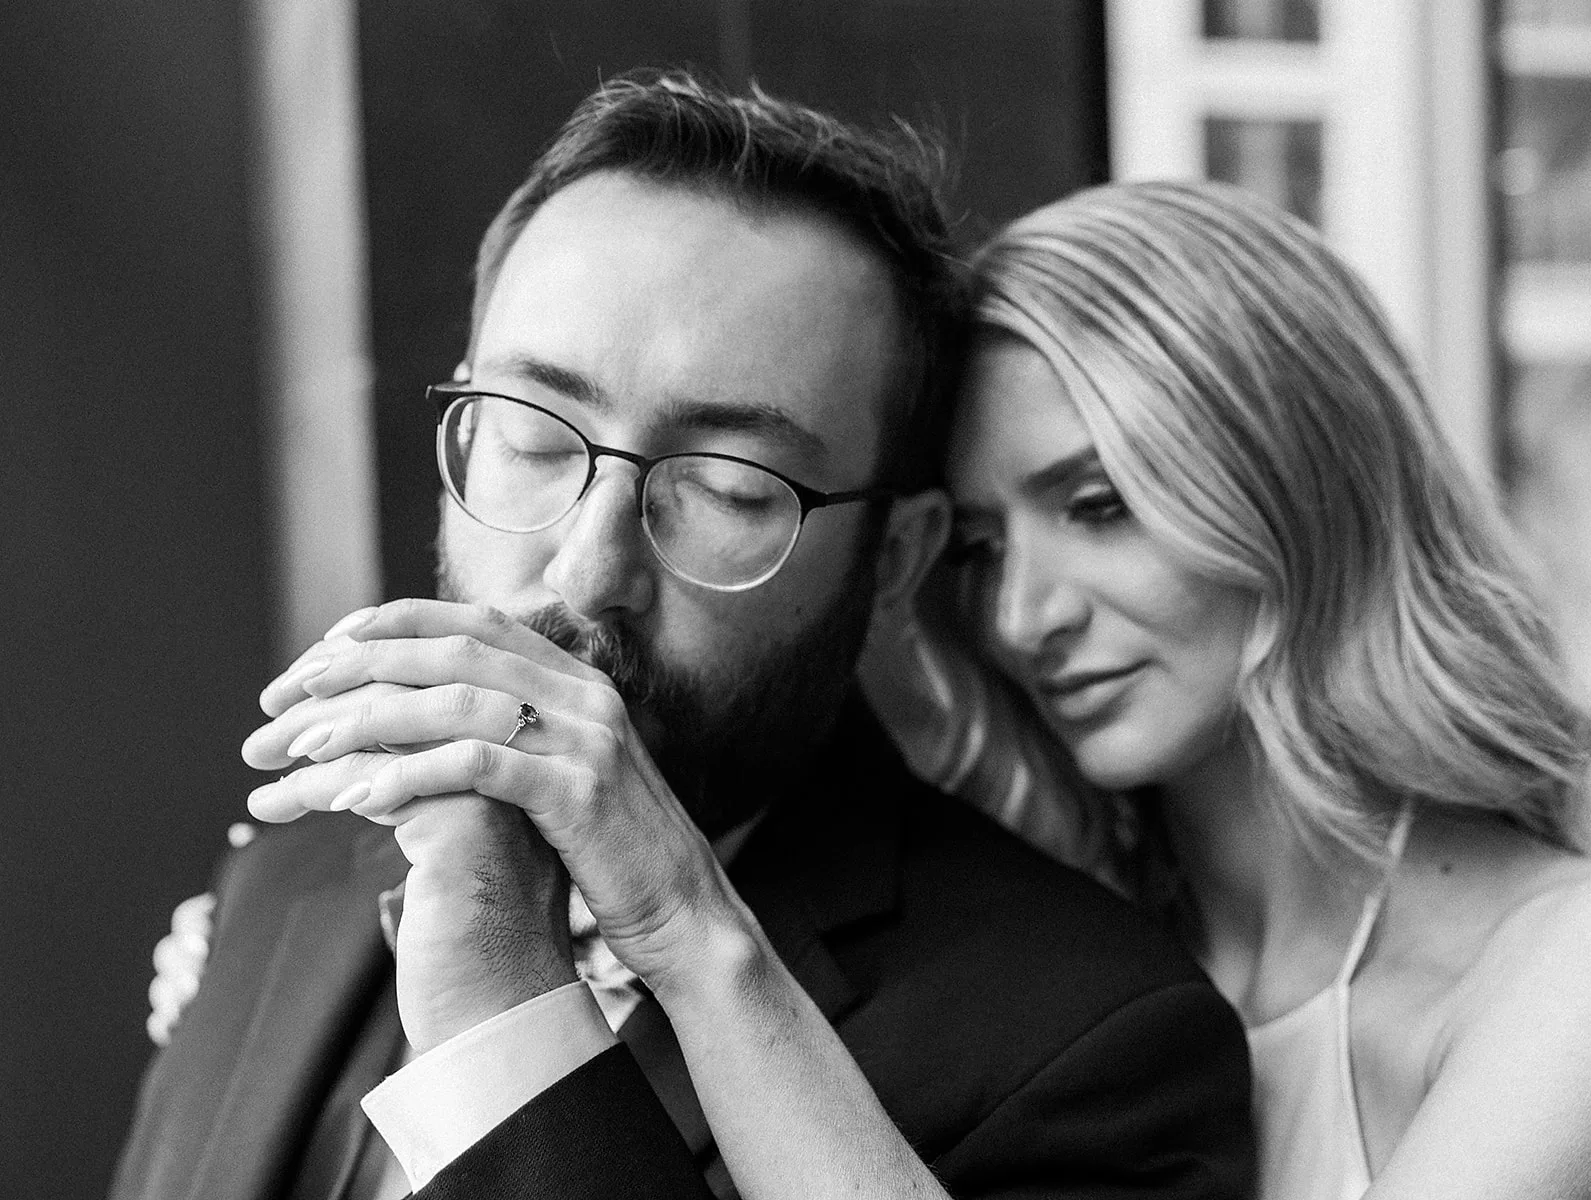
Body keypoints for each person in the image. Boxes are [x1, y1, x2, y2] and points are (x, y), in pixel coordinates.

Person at [112, 76, 1254, 1200]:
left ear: (895, 560)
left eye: (724, 484)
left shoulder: (1088, 1048)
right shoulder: (294, 865)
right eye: (533, 433)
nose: (588, 569)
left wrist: (505, 1005)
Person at [882, 179, 1591, 1199]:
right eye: (981, 548)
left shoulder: (1566, 968)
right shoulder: (1043, 980)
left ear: (1289, 481)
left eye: (1096, 506)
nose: (1020, 618)